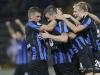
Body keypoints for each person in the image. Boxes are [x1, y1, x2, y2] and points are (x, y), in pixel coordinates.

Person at [40, 5, 79, 75]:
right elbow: (64, 39)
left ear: (54, 15)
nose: (48, 20)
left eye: (48, 18)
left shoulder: (53, 26)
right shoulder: (59, 23)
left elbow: (67, 38)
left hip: (58, 62)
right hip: (64, 61)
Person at [26, 6, 57, 75]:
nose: (39, 19)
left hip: (37, 60)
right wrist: (57, 18)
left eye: (40, 17)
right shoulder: (31, 24)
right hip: (37, 60)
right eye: (37, 16)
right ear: (31, 16)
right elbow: (50, 28)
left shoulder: (33, 28)